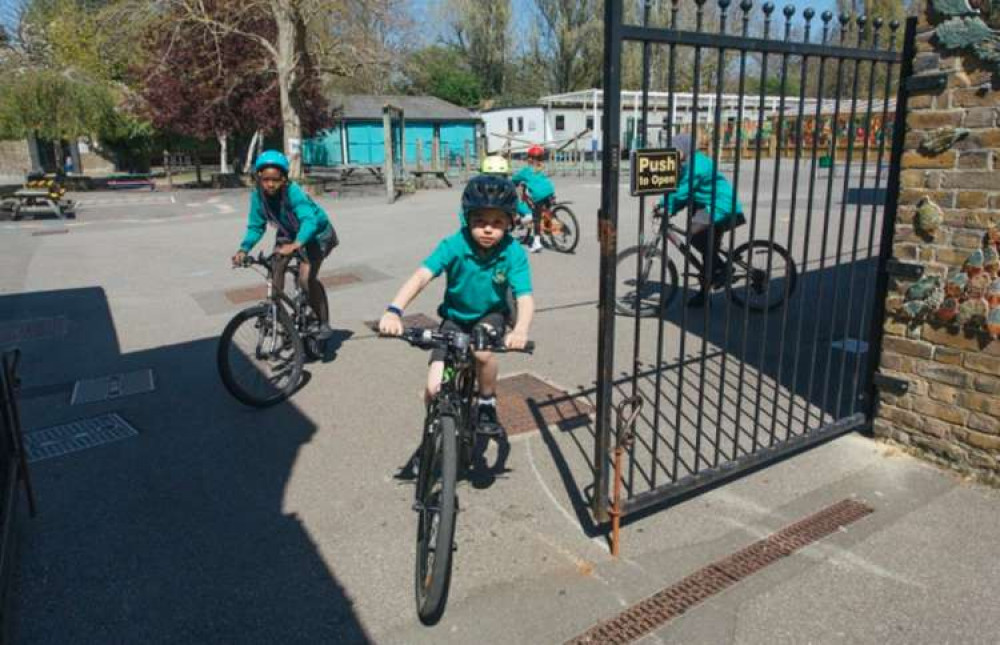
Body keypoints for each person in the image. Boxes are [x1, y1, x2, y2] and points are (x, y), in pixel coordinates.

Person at [379, 174, 535, 435]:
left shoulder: (513, 251)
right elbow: (421, 277)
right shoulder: (453, 244)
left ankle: (487, 401)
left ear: (510, 223)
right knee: (433, 389)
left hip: (490, 315)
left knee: (482, 351)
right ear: (467, 219)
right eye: (480, 221)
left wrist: (520, 330)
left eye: (497, 222)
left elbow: (525, 297)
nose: (488, 228)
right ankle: (431, 441)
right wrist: (394, 311)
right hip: (454, 318)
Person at [232, 150, 338, 340]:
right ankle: (275, 312)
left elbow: (309, 221)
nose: (270, 184)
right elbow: (256, 226)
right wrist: (243, 249)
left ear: (284, 179)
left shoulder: (293, 192)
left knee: (306, 279)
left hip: (317, 234)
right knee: (275, 267)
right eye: (265, 179)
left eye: (276, 179)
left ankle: (323, 322)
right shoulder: (258, 197)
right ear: (258, 178)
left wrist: (296, 244)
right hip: (289, 232)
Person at [658, 133, 745, 308]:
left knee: (695, 236)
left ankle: (722, 269)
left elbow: (682, 190)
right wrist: (669, 208)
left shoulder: (696, 165)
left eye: (675, 150)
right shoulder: (687, 163)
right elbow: (683, 194)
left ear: (684, 149)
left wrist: (664, 206)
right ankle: (704, 296)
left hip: (720, 205)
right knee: (707, 250)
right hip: (706, 206)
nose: (672, 153)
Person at [459, 155, 533, 227]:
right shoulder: (506, 188)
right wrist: (526, 215)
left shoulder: (476, 187)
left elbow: (464, 210)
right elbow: (516, 204)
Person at [511, 145, 555, 254]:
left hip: (538, 195)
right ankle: (550, 230)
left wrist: (514, 183)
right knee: (547, 212)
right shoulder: (541, 168)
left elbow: (514, 180)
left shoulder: (526, 170)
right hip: (550, 191)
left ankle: (537, 243)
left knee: (536, 218)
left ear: (529, 159)